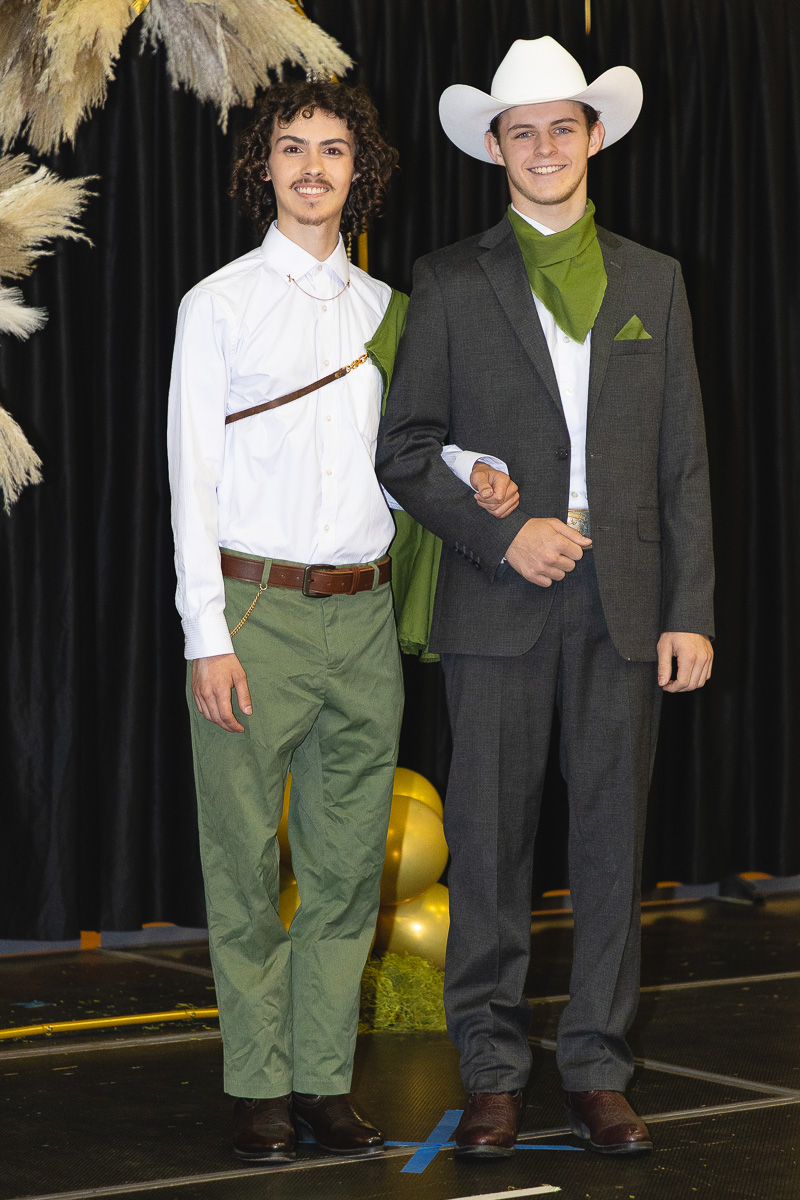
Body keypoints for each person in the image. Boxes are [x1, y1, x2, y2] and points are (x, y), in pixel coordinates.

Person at [167, 79, 516, 1164]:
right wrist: (204, 632)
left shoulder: (387, 313)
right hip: (254, 612)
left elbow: (412, 455)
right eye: (290, 148)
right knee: (239, 864)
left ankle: (321, 1083)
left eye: (332, 150)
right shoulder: (214, 304)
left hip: (362, 620)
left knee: (345, 874)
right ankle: (255, 1087)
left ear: (358, 170)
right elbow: (191, 476)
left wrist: (478, 472)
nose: (311, 167)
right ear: (261, 168)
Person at [377, 36, 714, 1158]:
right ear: (492, 148)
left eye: (560, 126)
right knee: (487, 842)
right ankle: (489, 1071)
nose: (541, 146)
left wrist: (689, 609)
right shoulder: (451, 279)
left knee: (612, 844)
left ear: (591, 136)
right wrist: (497, 534)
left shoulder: (651, 280)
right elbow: (407, 450)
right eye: (519, 131)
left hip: (624, 604)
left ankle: (597, 1068)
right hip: (498, 602)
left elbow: (681, 466)